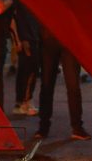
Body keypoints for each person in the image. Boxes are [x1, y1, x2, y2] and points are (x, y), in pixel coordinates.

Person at [33, 14, 87, 142]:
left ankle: (76, 127)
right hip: (51, 37)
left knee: (71, 86)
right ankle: (44, 127)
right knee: (48, 85)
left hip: (66, 38)